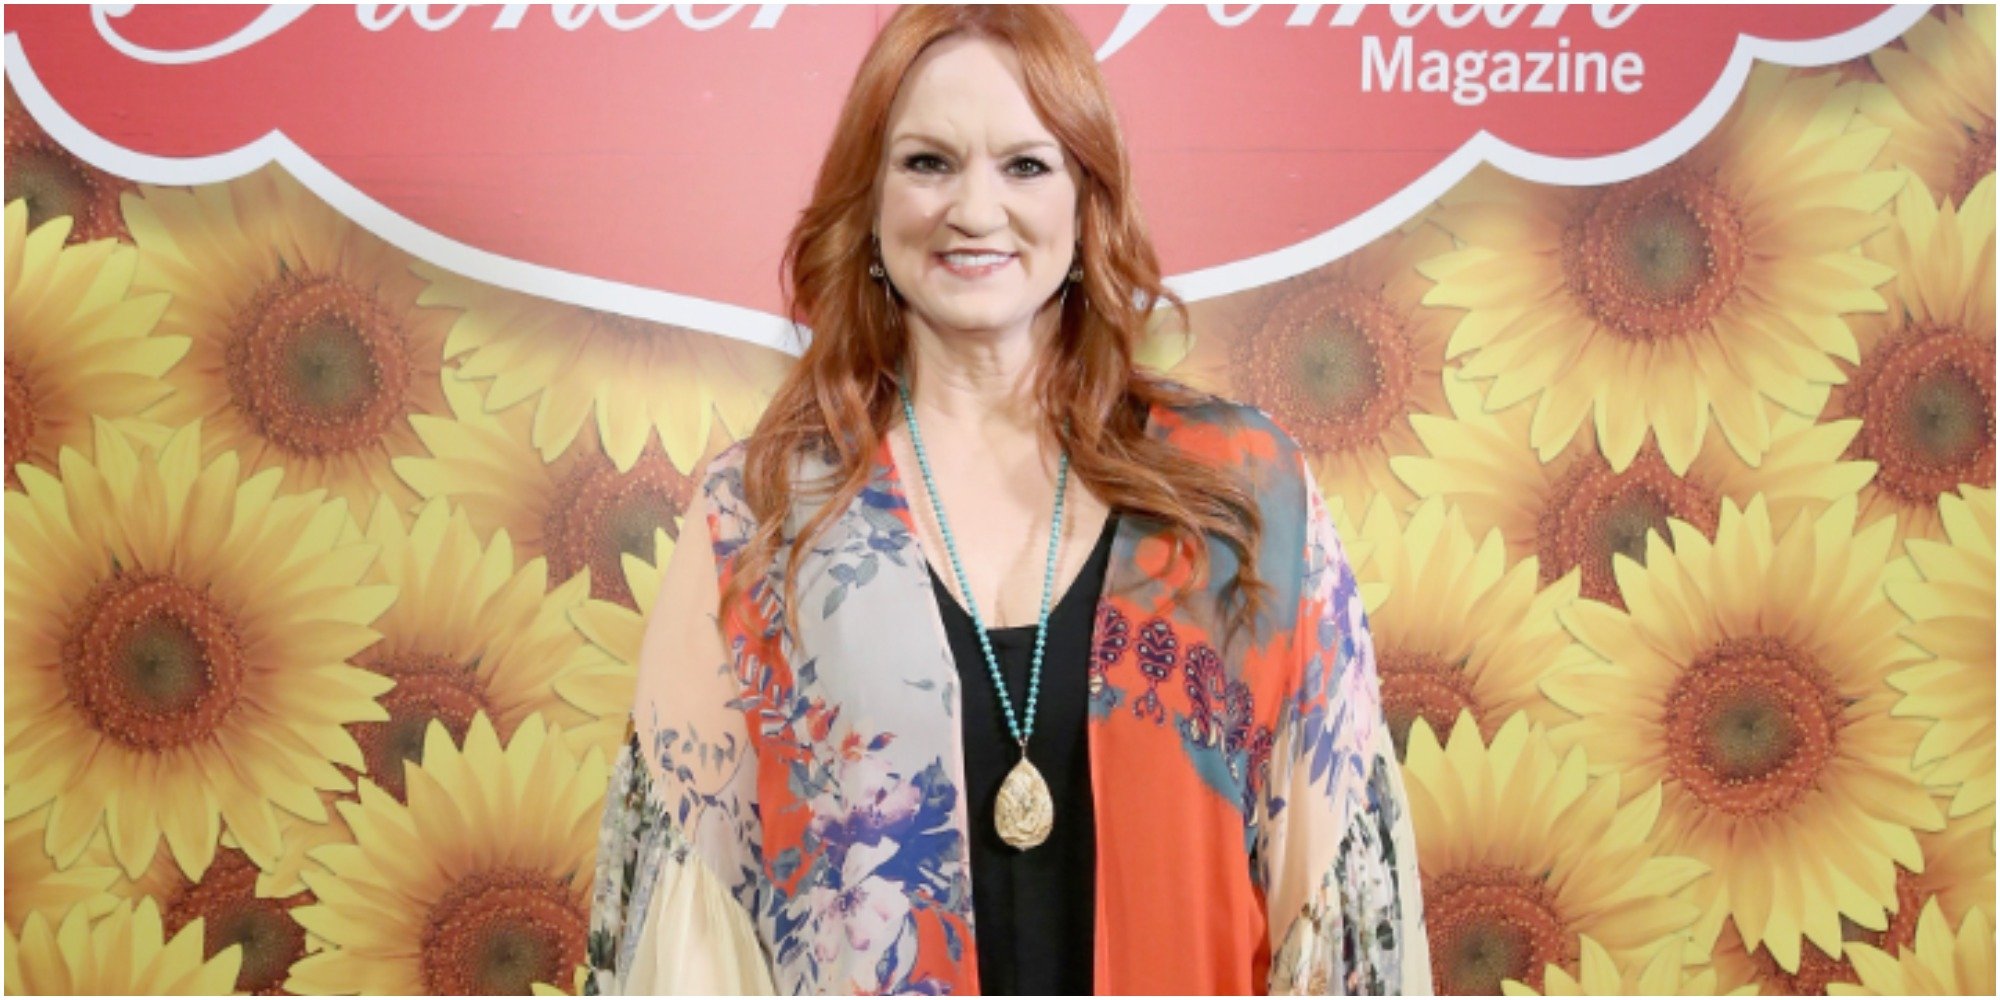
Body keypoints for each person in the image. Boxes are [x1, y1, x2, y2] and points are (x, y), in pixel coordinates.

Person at [586, 6, 1428, 995]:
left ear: (1085, 200)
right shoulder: (761, 516)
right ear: (866, 203)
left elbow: (1339, 919)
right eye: (927, 163)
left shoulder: (1243, 497)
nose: (973, 210)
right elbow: (688, 936)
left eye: (1025, 165)